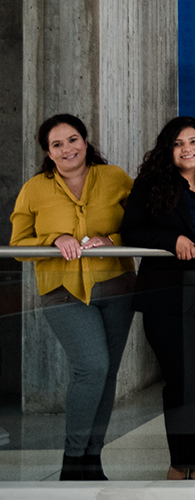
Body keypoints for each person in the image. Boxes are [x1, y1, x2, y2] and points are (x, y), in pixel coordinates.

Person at [10, 114, 135, 481]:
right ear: (48, 153)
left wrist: (112, 240)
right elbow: (17, 245)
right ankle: (72, 459)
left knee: (108, 373)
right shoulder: (34, 189)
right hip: (62, 291)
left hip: (116, 286)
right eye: (57, 144)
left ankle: (92, 459)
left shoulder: (114, 178)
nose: (67, 148)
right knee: (92, 367)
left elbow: (142, 225)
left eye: (73, 139)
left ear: (85, 141)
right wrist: (53, 240)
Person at [122, 117, 195, 481]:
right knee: (181, 378)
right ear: (167, 150)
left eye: (194, 141)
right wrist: (170, 240)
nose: (187, 148)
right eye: (178, 143)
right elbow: (131, 231)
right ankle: (180, 459)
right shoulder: (151, 184)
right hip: (167, 295)